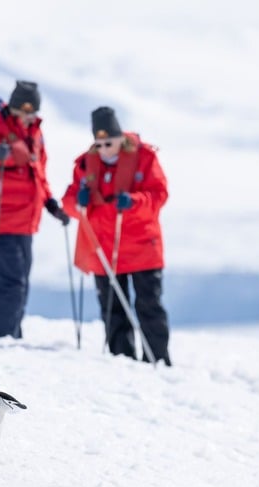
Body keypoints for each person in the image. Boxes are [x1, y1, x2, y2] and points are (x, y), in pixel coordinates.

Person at [61, 106, 171, 365]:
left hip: (142, 247)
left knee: (149, 306)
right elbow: (69, 202)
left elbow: (159, 194)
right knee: (113, 310)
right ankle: (123, 362)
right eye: (98, 144)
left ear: (120, 137)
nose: (103, 149)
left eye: (108, 143)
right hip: (104, 248)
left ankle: (157, 360)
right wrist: (77, 201)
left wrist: (134, 201)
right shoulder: (86, 164)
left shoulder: (145, 158)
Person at [0, 80, 69, 338]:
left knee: (20, 288)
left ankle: (11, 339)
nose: (30, 117)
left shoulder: (34, 134)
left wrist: (50, 204)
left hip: (25, 223)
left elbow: (38, 175)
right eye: (25, 111)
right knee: (12, 287)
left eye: (34, 111)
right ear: (14, 106)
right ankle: (4, 342)